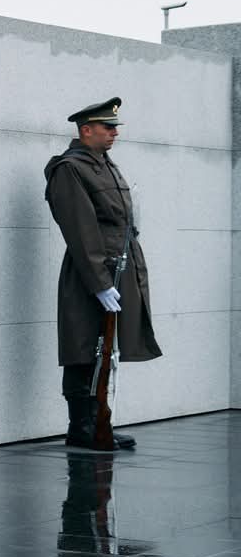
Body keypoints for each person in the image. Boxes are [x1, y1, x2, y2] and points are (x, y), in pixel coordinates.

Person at [47, 97, 161, 450]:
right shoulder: (71, 167)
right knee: (84, 347)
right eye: (107, 127)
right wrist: (98, 282)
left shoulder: (103, 164)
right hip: (91, 271)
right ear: (86, 131)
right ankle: (83, 427)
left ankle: (99, 421)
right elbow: (81, 229)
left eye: (114, 127)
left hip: (118, 265)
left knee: (105, 349)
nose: (114, 133)